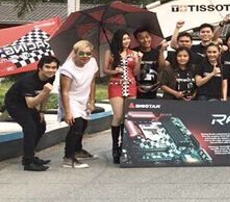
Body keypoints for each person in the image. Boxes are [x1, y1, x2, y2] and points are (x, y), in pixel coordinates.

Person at [4, 55, 60, 171]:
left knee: (41, 126)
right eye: (47, 67)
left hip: (27, 103)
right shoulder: (28, 81)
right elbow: (31, 104)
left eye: (54, 67)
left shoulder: (50, 77)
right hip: (14, 103)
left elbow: (45, 95)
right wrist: (44, 91)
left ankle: (29, 155)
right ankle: (28, 162)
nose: (51, 70)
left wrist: (42, 111)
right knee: (30, 128)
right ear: (40, 68)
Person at [104, 30, 141, 164]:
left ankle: (124, 145)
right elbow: (105, 70)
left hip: (131, 85)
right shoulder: (110, 53)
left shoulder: (133, 53)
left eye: (128, 39)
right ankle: (115, 146)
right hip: (116, 85)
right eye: (124, 39)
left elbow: (136, 72)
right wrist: (115, 70)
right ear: (118, 40)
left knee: (128, 116)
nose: (127, 41)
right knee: (118, 115)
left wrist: (139, 60)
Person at [59, 40, 97, 169]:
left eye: (88, 53)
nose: (85, 56)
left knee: (84, 124)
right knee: (77, 125)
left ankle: (78, 150)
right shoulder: (67, 68)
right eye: (81, 53)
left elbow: (92, 82)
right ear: (75, 53)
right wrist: (68, 112)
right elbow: (65, 91)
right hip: (71, 98)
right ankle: (68, 157)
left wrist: (92, 100)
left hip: (84, 97)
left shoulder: (92, 63)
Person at [134, 28, 167, 99]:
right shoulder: (133, 52)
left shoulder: (156, 53)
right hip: (137, 88)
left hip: (153, 88)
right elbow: (131, 72)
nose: (146, 40)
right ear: (137, 40)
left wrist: (161, 51)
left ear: (150, 37)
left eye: (147, 37)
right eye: (141, 38)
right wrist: (136, 85)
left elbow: (161, 68)